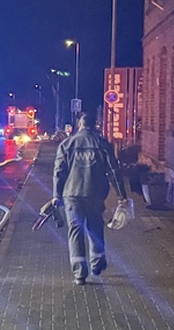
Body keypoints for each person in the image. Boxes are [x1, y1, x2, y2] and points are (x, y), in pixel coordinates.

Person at [52, 110, 127, 285]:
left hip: (72, 195)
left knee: (75, 231)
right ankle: (97, 264)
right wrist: (121, 195)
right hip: (95, 194)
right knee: (95, 228)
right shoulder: (102, 144)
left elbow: (59, 172)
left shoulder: (66, 144)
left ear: (80, 124)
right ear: (95, 125)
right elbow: (113, 171)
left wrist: (56, 195)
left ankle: (79, 274)